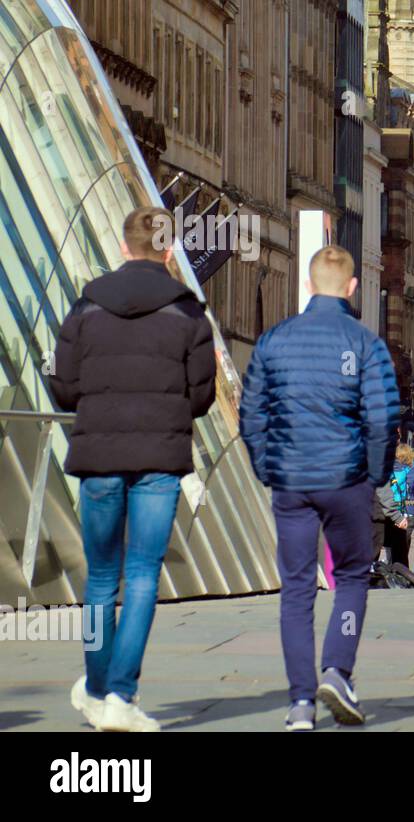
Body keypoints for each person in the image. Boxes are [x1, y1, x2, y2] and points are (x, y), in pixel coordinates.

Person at [52, 206, 216, 732]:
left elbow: (64, 386)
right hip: (159, 459)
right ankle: (119, 693)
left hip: (98, 457)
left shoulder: (86, 306)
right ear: (168, 252)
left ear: (123, 247)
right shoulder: (189, 314)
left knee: (101, 578)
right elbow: (203, 395)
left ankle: (98, 689)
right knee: (143, 575)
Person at [239, 245, 400, 730]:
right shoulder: (366, 344)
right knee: (351, 577)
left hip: (290, 481)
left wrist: (267, 467)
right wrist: (376, 473)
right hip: (345, 478)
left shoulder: (272, 341)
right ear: (352, 288)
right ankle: (337, 668)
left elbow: (251, 415)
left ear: (307, 285)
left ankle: (301, 704)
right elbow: (382, 418)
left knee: (296, 589)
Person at [386, 444, 414, 567]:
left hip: (387, 509)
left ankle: (389, 565)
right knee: (401, 547)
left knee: (388, 542)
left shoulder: (386, 470)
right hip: (404, 511)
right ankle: (401, 573)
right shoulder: (410, 471)